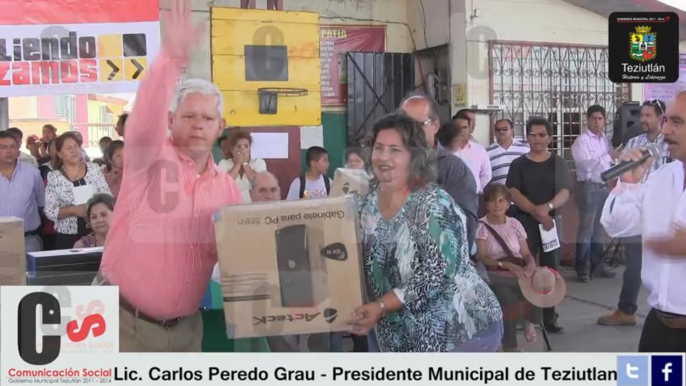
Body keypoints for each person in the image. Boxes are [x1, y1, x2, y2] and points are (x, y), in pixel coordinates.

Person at [95, 0, 242, 353]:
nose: (198, 124)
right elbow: (143, 117)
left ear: (221, 127)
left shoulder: (229, 192)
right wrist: (171, 60)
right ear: (171, 119)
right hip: (122, 324)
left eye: (207, 118)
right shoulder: (148, 160)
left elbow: (240, 258)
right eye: (189, 116)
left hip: (187, 333)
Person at [350, 113, 503, 352]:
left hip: (458, 329)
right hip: (401, 334)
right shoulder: (365, 205)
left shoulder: (433, 203)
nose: (383, 157)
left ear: (414, 156)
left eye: (395, 150)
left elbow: (438, 273)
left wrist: (381, 305)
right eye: (379, 148)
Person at [601, 90, 686, 352]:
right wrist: (629, 185)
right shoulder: (661, 178)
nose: (666, 130)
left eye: (677, 122)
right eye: (666, 121)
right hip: (659, 325)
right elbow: (617, 225)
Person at [598, 99, 671, 327]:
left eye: (648, 115)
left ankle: (671, 310)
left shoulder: (670, 144)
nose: (643, 120)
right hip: (636, 210)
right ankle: (626, 310)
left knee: (667, 263)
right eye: (642, 115)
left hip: (665, 213)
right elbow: (624, 175)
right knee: (634, 264)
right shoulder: (634, 142)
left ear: (661, 118)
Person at [506, 116, 573, 334]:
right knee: (527, 269)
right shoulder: (518, 164)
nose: (537, 139)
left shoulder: (559, 163)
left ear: (550, 138)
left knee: (550, 269)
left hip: (550, 224)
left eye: (542, 135)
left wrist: (548, 207)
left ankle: (549, 317)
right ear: (527, 137)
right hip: (525, 223)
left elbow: (564, 191)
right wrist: (537, 211)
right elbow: (513, 192)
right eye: (533, 134)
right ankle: (527, 318)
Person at [399, 93, 479, 248]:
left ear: (435, 125)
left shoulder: (454, 170)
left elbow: (466, 227)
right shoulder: (389, 163)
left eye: (417, 125)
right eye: (403, 125)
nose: (409, 131)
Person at [476, 183, 539, 352]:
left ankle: (529, 321)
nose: (497, 205)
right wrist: (506, 265)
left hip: (518, 269)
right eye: (492, 201)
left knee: (538, 284)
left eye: (501, 200)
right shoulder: (481, 226)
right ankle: (510, 345)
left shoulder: (515, 224)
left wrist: (531, 263)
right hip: (496, 272)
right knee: (507, 296)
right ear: (486, 204)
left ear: (508, 203)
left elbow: (525, 253)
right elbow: (482, 256)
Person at [571, 105, 619, 282]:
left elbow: (608, 165)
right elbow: (585, 165)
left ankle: (597, 265)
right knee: (586, 229)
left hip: (604, 187)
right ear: (588, 119)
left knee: (598, 230)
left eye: (600, 119)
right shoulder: (581, 141)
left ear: (605, 120)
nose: (597, 122)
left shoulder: (605, 140)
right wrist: (608, 156)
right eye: (594, 118)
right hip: (589, 188)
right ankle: (582, 268)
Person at [44, 132, 111, 249]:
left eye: (76, 146)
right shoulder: (54, 177)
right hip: (68, 236)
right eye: (68, 148)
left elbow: (107, 198)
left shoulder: (94, 169)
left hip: (97, 232)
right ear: (59, 153)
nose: (74, 150)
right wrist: (73, 210)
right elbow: (49, 211)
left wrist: (93, 208)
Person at [0, 131, 45, 253]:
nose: (9, 151)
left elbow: (42, 204)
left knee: (30, 272)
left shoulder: (32, 172)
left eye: (12, 147)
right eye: (3, 147)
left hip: (28, 241)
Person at [438, 115, 492, 193]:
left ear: (470, 128)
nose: (462, 130)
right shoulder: (443, 151)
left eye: (465, 127)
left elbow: (486, 175)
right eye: (458, 128)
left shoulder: (479, 150)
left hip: (473, 196)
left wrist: (476, 188)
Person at [218, 129, 267, 203]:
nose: (242, 150)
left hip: (253, 208)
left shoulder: (259, 162)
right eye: (239, 147)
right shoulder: (224, 163)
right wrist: (237, 164)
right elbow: (223, 184)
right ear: (232, 149)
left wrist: (245, 164)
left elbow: (260, 183)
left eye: (246, 146)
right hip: (230, 207)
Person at [486, 118, 529, 185]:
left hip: (522, 192)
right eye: (498, 129)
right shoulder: (487, 152)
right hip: (499, 193)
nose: (501, 131)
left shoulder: (525, 149)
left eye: (505, 129)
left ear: (512, 130)